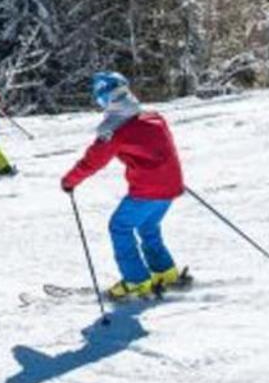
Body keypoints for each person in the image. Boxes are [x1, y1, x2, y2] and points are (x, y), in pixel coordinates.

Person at [61, 72, 186, 300]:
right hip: (170, 187)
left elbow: (92, 161)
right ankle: (165, 272)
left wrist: (70, 181)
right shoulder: (154, 117)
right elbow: (160, 146)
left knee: (120, 227)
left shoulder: (115, 132)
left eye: (100, 100)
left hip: (147, 191)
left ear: (108, 99)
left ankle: (137, 281)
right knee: (148, 227)